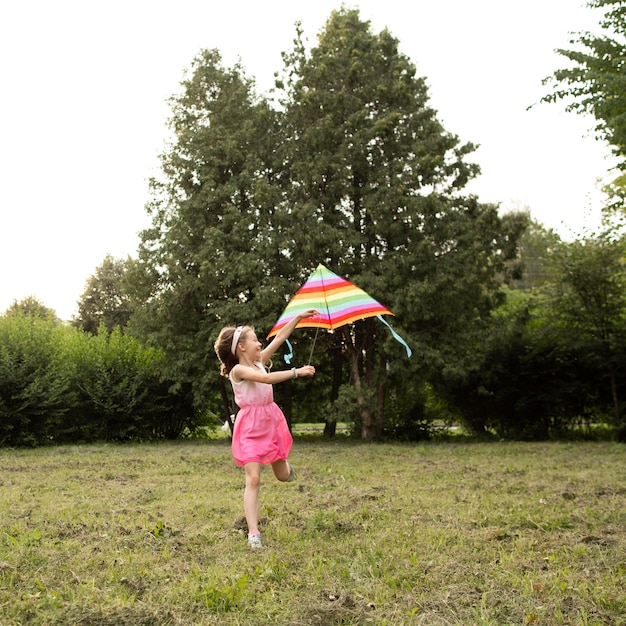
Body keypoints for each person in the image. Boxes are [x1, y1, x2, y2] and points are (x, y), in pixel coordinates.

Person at [214, 310, 317, 548]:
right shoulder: (237, 371)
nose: (260, 343)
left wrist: (298, 318)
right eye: (254, 339)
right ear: (241, 347)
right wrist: (296, 372)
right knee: (254, 478)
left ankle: (288, 469)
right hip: (249, 428)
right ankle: (253, 533)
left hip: (270, 422)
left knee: (282, 476)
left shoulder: (259, 362)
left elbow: (279, 338)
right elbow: (267, 380)